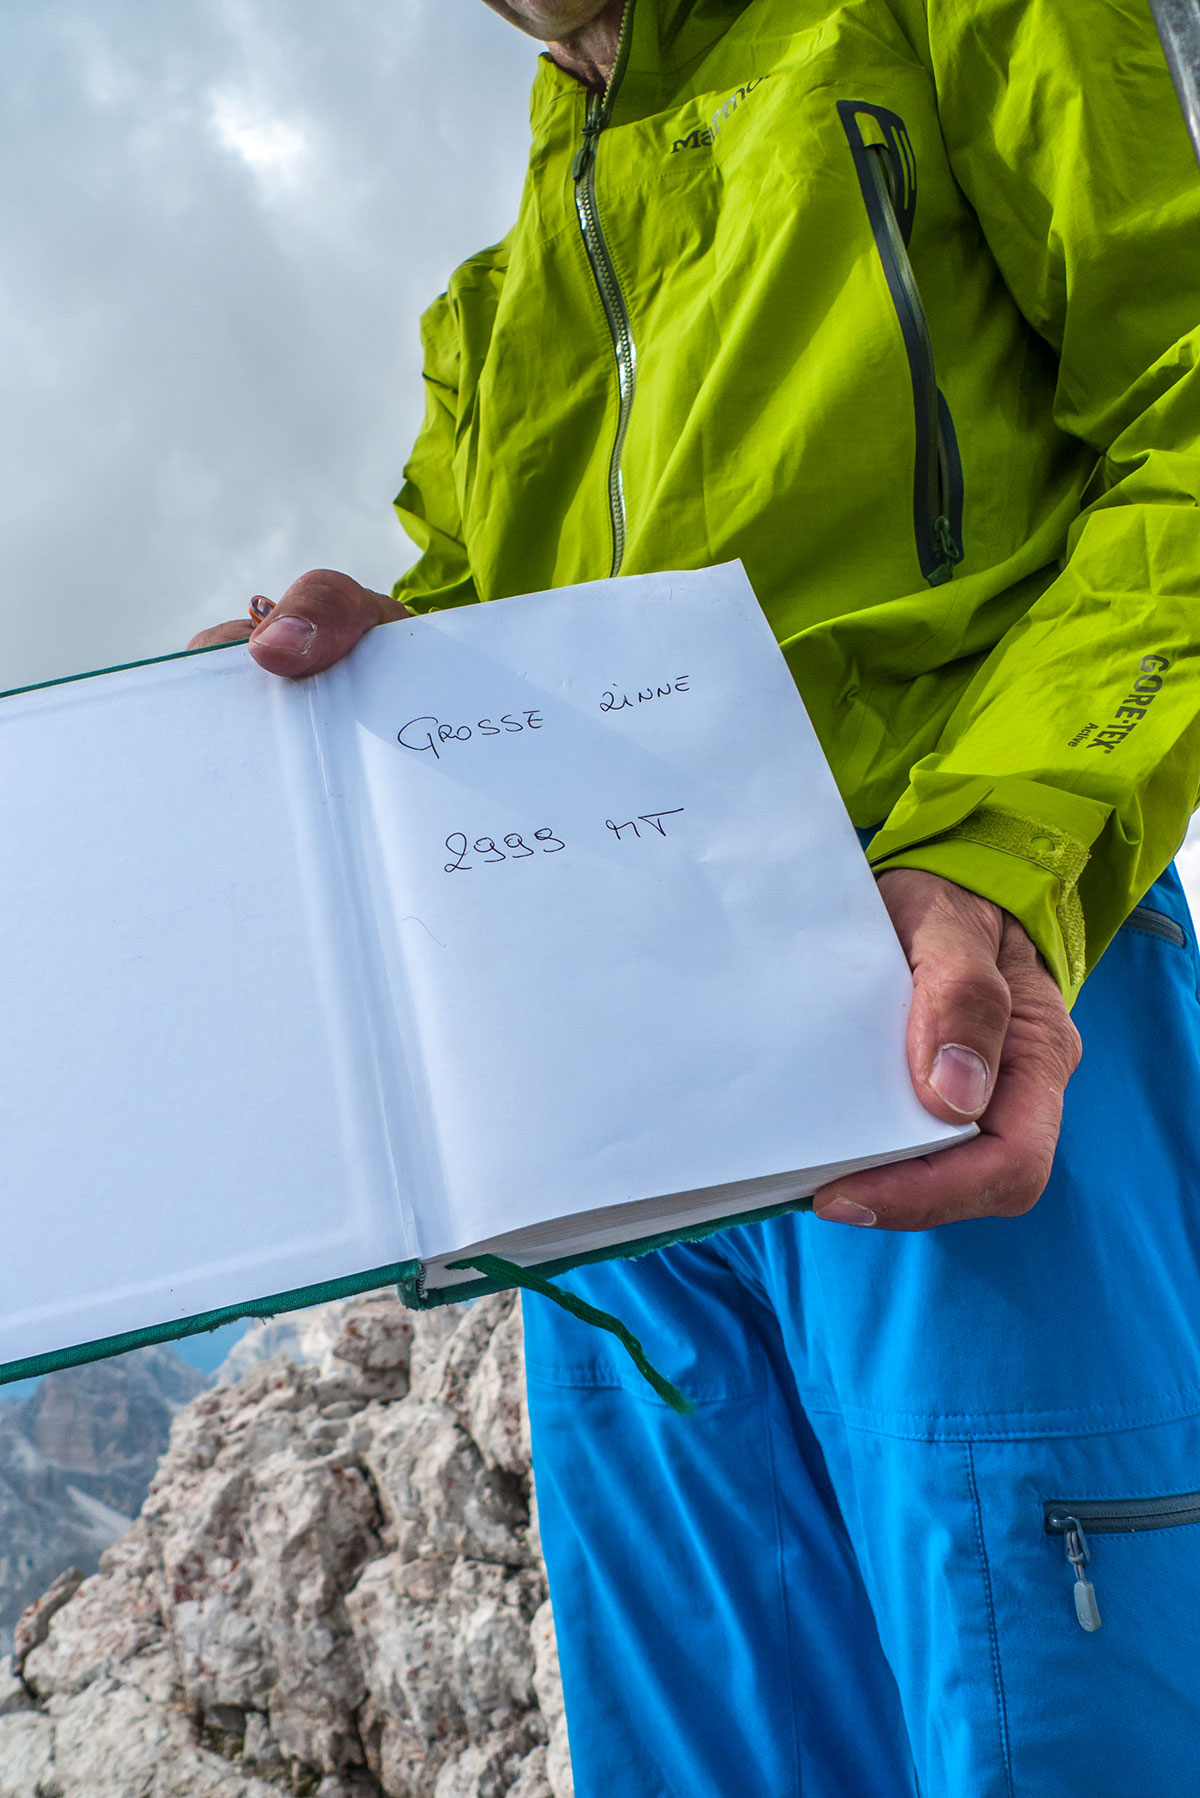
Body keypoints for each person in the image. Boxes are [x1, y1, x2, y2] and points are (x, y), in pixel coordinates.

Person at [192, 1, 1200, 1790]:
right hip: (623, 1182)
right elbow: (494, 678)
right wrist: (345, 708)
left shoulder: (969, 21)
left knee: (1058, 1735)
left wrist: (998, 853)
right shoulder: (498, 308)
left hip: (960, 1027)